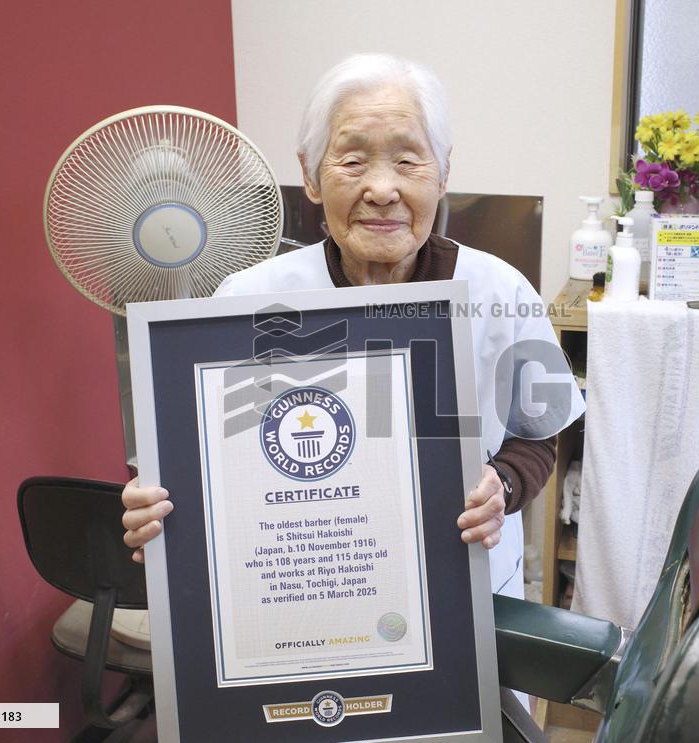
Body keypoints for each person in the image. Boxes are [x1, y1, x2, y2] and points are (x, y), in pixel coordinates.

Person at [121, 52, 584, 602]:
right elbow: (204, 461)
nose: (382, 189)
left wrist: (501, 486)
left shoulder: (503, 292)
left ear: (444, 173)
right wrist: (156, 506)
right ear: (310, 176)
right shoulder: (246, 300)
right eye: (353, 161)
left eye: (409, 161)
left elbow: (538, 435)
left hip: (467, 592)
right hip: (303, 591)